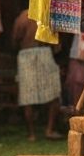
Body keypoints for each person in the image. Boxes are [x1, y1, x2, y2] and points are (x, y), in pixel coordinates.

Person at [11, 8, 61, 140]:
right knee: (53, 94)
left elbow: (15, 40)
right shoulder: (45, 14)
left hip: (26, 54)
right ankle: (49, 130)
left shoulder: (22, 16)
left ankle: (32, 134)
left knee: (27, 97)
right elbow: (55, 43)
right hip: (43, 51)